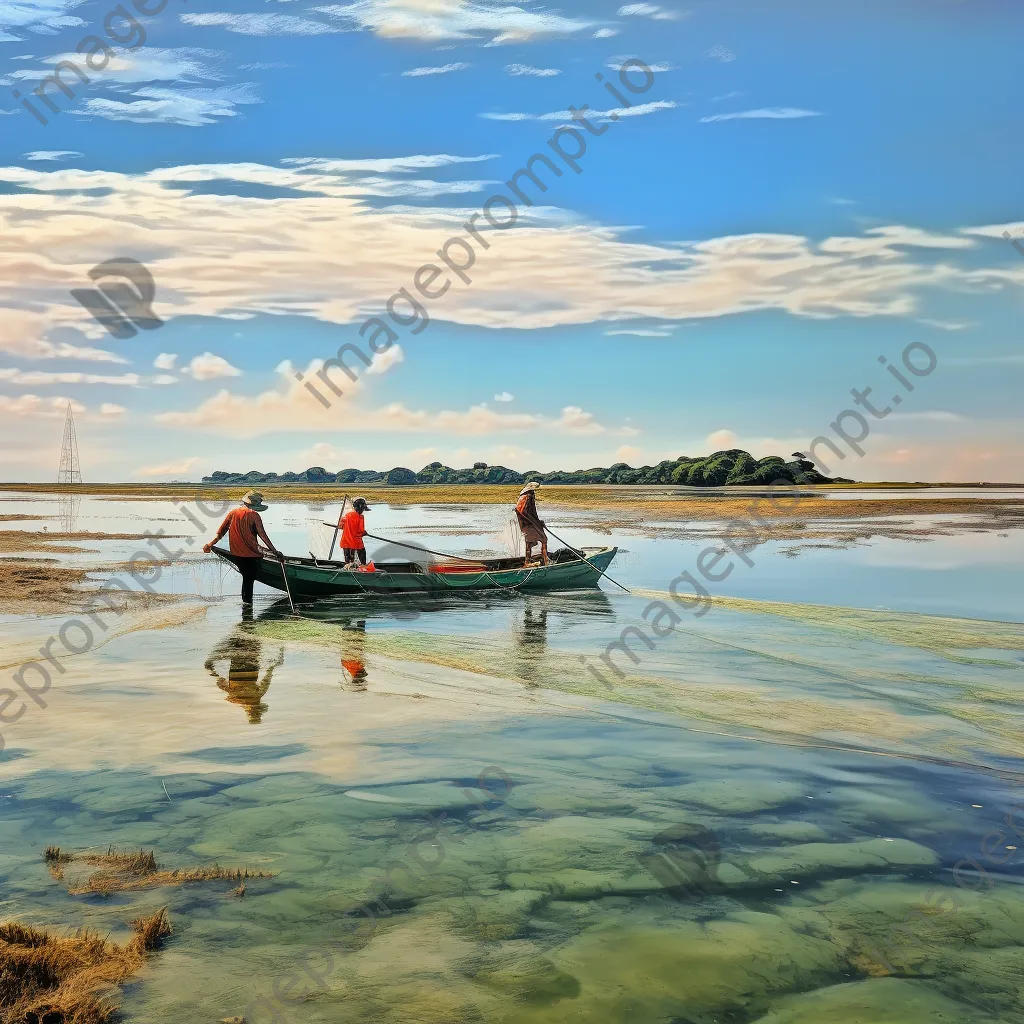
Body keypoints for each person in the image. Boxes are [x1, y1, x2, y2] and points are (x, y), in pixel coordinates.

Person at [203, 491, 282, 605]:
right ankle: (248, 609)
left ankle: (245, 609)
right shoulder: (254, 515)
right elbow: (263, 535)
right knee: (248, 582)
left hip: (237, 554)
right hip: (252, 555)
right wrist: (275, 552)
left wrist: (210, 544)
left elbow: (221, 532)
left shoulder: (233, 513)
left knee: (246, 580)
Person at [515, 481, 548, 566]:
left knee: (530, 542)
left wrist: (539, 522)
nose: (535, 492)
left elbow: (533, 512)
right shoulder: (526, 497)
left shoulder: (528, 496)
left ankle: (529, 561)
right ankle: (545, 561)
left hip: (529, 522)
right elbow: (521, 511)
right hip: (527, 523)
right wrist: (531, 521)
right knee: (543, 539)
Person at [339, 497, 371, 567]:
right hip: (356, 542)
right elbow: (360, 531)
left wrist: (345, 527)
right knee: (362, 553)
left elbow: (340, 525)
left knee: (348, 560)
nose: (363, 511)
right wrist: (364, 533)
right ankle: (363, 566)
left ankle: (348, 569)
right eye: (363, 509)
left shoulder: (347, 515)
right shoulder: (360, 517)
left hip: (346, 542)